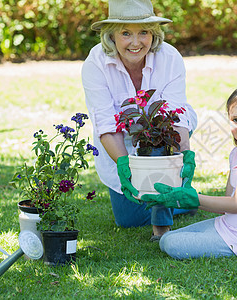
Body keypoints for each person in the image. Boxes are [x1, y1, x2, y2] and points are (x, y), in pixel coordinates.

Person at [81, 0, 198, 241]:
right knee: (128, 220)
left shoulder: (169, 57)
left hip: (163, 135)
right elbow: (105, 122)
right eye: (126, 33)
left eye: (143, 32)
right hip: (118, 141)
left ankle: (163, 219)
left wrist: (183, 153)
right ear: (111, 35)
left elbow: (175, 114)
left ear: (153, 33)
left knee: (158, 159)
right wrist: (124, 164)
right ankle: (182, 200)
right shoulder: (96, 63)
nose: (136, 43)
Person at [141, 83, 237, 259]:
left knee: (170, 243)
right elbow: (227, 206)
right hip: (226, 226)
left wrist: (190, 198)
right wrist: (181, 198)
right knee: (166, 239)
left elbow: (236, 203)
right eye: (235, 120)